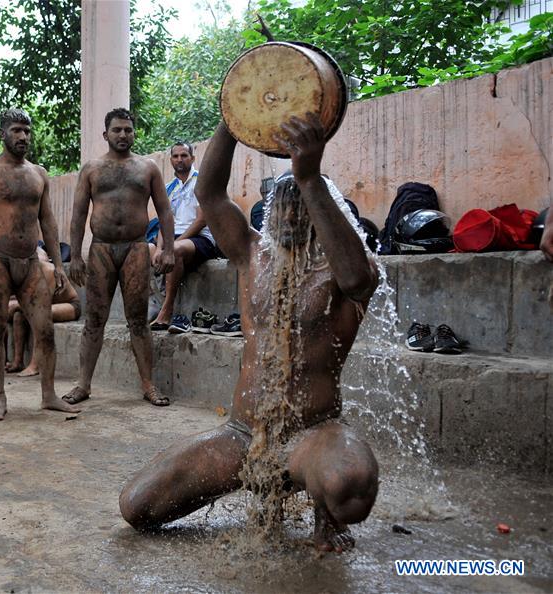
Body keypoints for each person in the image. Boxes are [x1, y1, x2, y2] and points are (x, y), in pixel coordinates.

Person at [119, 113, 380, 552]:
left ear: (323, 212)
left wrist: (309, 178)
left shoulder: (346, 267)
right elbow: (209, 193)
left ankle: (324, 511)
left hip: (313, 433)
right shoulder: (252, 252)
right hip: (244, 435)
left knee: (349, 489)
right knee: (136, 506)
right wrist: (232, 118)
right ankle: (261, 483)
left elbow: (357, 280)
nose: (289, 214)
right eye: (282, 204)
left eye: (301, 204)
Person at [0, 108, 79, 420]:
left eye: (27, 131)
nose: (23, 136)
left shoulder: (39, 174)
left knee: (46, 329)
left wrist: (59, 266)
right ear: (2, 134)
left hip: (30, 262)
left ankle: (49, 395)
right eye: (16, 130)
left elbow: (48, 221)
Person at [61, 108, 176, 407]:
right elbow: (79, 213)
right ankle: (83, 384)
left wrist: (168, 249)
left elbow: (164, 210)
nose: (123, 134)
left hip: (136, 248)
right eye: (117, 130)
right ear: (106, 134)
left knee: (138, 320)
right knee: (94, 319)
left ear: (134, 133)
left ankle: (148, 385)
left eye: (128, 129)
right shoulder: (92, 169)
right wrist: (76, 255)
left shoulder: (148, 167)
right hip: (101, 248)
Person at [148, 142, 223, 330]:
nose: (179, 159)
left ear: (192, 158)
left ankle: (168, 311)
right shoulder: (169, 187)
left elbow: (201, 221)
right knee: (142, 249)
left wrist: (171, 246)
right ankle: (152, 305)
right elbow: (164, 221)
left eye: (184, 155)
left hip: (200, 238)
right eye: (175, 156)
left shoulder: (201, 182)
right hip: (173, 238)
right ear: (171, 160)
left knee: (175, 250)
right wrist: (160, 247)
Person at [9, 245, 82, 377]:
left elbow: (42, 305)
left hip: (70, 305)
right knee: (18, 316)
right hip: (46, 305)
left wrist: (19, 305)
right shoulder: (25, 273)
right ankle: (18, 361)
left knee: (40, 316)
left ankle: (35, 365)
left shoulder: (48, 270)